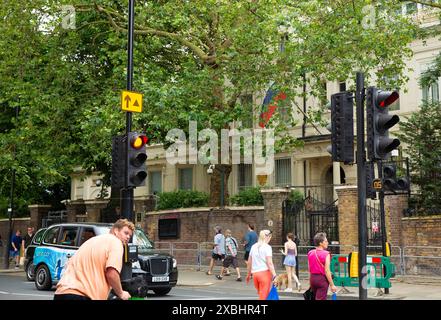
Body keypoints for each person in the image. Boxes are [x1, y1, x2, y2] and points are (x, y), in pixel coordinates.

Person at [53, 219, 134, 300]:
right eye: (126, 233)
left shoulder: (92, 241)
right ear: (116, 231)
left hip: (61, 293)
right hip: (82, 295)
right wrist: (121, 293)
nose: (128, 237)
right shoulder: (116, 242)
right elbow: (112, 273)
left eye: (130, 236)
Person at [246, 230, 277, 300]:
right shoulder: (267, 247)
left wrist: (248, 274)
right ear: (268, 237)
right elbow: (269, 263)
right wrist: (275, 275)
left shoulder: (253, 246)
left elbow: (249, 262)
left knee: (261, 295)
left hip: (255, 275)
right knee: (264, 297)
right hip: (265, 274)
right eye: (270, 237)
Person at [307, 232, 337, 300]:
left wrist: (310, 282)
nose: (327, 243)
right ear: (320, 243)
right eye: (325, 241)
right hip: (322, 280)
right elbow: (327, 271)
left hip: (313, 279)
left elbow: (309, 268)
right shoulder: (326, 254)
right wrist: (332, 285)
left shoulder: (310, 253)